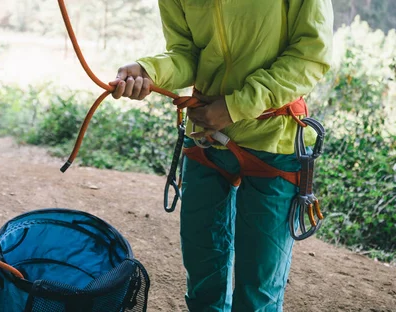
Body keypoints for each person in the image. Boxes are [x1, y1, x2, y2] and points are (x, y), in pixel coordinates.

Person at [109, 1, 333, 311]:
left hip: (272, 138)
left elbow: (310, 55)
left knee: (259, 289)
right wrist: (150, 70)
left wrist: (234, 107)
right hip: (207, 137)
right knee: (202, 275)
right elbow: (186, 53)